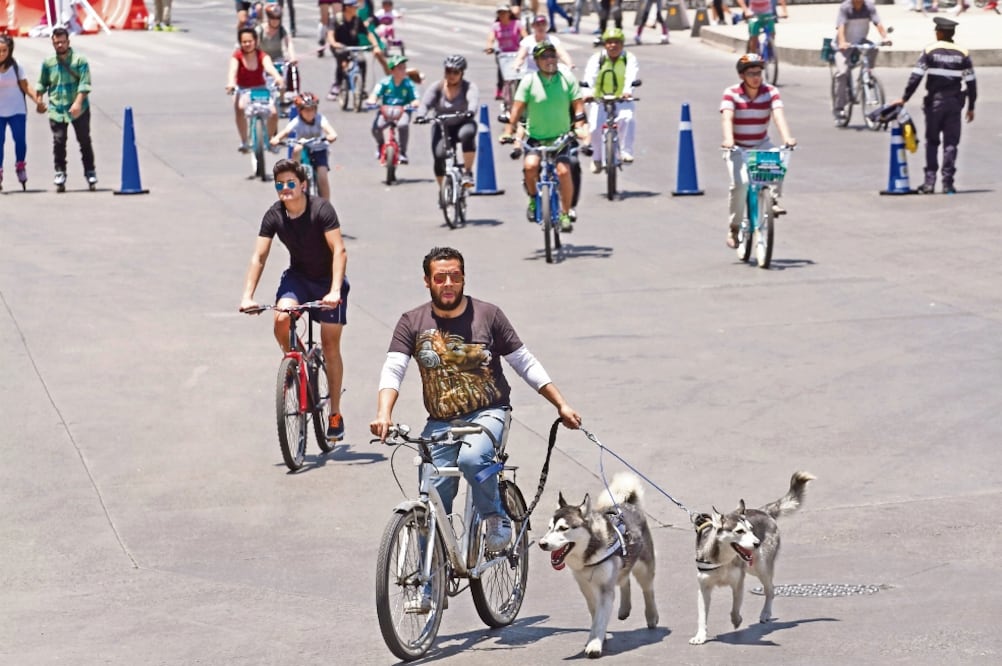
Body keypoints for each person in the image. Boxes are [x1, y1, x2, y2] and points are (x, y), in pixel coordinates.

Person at [369, 246, 581, 557]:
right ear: (427, 281)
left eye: (455, 276)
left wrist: (560, 405)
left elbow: (524, 363)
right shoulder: (412, 322)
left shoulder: (488, 315)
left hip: (489, 412)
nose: (448, 283)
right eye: (440, 277)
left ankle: (495, 516)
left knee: (472, 459)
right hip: (441, 421)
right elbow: (394, 368)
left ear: (464, 278)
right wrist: (383, 413)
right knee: (431, 498)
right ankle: (427, 588)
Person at [239, 158, 349, 442]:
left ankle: (334, 412)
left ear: (302, 185)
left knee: (329, 343)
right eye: (280, 185)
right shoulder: (275, 215)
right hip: (298, 279)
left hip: (328, 282)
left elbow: (339, 250)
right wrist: (247, 295)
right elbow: (259, 256)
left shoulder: (321, 210)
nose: (285, 189)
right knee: (280, 319)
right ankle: (298, 363)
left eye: (290, 183)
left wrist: (335, 290)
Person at [501, 41, 589, 232]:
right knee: (530, 166)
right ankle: (533, 199)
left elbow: (578, 104)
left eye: (552, 55)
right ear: (536, 61)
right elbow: (516, 110)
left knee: (564, 172)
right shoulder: (529, 81)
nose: (550, 60)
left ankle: (565, 213)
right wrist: (508, 131)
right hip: (536, 137)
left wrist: (580, 126)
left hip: (561, 137)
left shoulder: (567, 78)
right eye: (544, 57)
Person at [892, 17, 976, 195]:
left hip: (935, 104)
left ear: (939, 32)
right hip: (954, 104)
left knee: (932, 142)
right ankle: (948, 184)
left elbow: (916, 77)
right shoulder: (963, 53)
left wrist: (905, 98)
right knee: (951, 144)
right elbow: (971, 82)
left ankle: (929, 183)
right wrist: (971, 107)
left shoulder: (930, 50)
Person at [720, 53, 796, 249]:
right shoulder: (731, 93)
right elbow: (727, 118)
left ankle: (773, 198)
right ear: (742, 76)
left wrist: (787, 138)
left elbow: (778, 116)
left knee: (778, 158)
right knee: (741, 184)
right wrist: (728, 140)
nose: (756, 77)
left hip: (761, 143)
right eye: (751, 73)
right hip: (737, 146)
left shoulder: (770, 92)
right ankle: (734, 228)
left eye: (759, 72)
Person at [37, 27, 97, 190]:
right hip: (57, 109)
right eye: (57, 43)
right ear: (53, 43)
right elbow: (42, 83)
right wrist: (39, 101)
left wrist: (77, 103)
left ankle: (90, 171)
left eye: (63, 42)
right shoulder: (48, 63)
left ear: (68, 42)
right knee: (59, 142)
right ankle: (60, 172)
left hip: (79, 108)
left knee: (84, 140)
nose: (60, 45)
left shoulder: (80, 61)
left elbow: (85, 84)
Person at [416, 55, 479, 188]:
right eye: (448, 71)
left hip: (462, 122)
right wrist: (421, 115)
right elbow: (425, 103)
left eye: (455, 72)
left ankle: (468, 172)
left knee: (467, 134)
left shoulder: (468, 87)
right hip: (442, 126)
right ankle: (442, 190)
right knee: (439, 156)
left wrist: (470, 111)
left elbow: (473, 100)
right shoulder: (437, 87)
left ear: (462, 73)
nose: (451, 75)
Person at [582, 27, 639, 174]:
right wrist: (588, 93)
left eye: (617, 42)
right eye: (609, 42)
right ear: (605, 44)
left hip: (622, 99)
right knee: (594, 128)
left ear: (622, 44)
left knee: (628, 120)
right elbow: (590, 77)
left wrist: (628, 91)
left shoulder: (628, 58)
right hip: (600, 99)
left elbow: (631, 76)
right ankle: (597, 158)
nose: (613, 45)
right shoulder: (597, 58)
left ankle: (626, 151)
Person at [226, 27, 285, 153]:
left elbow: (270, 68)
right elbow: (232, 70)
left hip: (260, 89)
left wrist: (278, 78)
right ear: (240, 43)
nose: (247, 44)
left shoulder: (262, 55)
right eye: (244, 42)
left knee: (274, 112)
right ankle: (244, 141)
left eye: (250, 41)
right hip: (242, 89)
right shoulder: (237, 56)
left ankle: (269, 140)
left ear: (256, 41)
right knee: (240, 107)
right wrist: (231, 83)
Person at [832, 0, 891, 124]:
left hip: (860, 41)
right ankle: (839, 108)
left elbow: (878, 23)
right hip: (844, 44)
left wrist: (885, 37)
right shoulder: (845, 7)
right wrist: (842, 42)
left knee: (874, 48)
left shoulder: (869, 6)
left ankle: (866, 74)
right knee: (842, 73)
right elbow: (841, 27)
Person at [271, 92, 338, 200]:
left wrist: (331, 135)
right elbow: (286, 131)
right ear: (300, 111)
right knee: (297, 149)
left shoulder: (320, 119)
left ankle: (327, 206)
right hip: (303, 148)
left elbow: (330, 130)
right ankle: (295, 172)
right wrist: (276, 139)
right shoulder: (296, 121)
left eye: (312, 109)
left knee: (322, 177)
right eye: (306, 110)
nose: (309, 113)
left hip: (319, 149)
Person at [0, 34, 45, 191]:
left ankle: (20, 165)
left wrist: (37, 101)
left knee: (20, 141)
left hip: (17, 110)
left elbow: (26, 87)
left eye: (4, 50)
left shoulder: (16, 66)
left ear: (10, 50)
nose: (1, 54)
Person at [367, 54, 420, 164]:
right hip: (386, 110)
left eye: (404, 67)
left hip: (403, 110)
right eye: (400, 68)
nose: (403, 70)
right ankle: (380, 145)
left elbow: (415, 98)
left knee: (403, 125)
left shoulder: (408, 84)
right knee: (377, 127)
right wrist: (372, 100)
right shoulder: (384, 82)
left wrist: (414, 104)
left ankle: (402, 152)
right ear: (392, 70)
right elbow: (375, 94)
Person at [327, 0, 368, 101]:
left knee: (362, 62)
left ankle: (361, 87)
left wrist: (375, 45)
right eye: (354, 7)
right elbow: (330, 34)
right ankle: (338, 83)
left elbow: (368, 33)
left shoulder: (357, 20)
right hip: (340, 46)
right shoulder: (336, 19)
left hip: (354, 46)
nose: (356, 9)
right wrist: (334, 44)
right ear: (347, 7)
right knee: (341, 59)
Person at [485, 4, 525, 102]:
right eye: (500, 13)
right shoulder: (495, 26)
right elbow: (491, 38)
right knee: (501, 72)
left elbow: (525, 35)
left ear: (509, 13)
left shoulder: (517, 23)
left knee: (519, 73)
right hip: (503, 53)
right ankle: (500, 89)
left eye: (504, 13)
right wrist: (489, 47)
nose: (502, 15)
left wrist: (526, 46)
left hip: (516, 52)